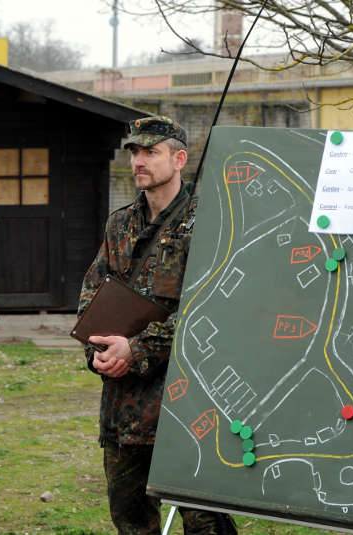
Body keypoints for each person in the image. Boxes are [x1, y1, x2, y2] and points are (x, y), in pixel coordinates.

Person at [78, 116, 237, 535]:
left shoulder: (211, 223)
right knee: (131, 521)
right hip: (124, 409)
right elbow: (91, 296)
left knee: (205, 522)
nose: (138, 161)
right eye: (133, 152)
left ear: (179, 158)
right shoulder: (120, 224)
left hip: (187, 405)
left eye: (150, 151)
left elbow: (212, 310)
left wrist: (138, 348)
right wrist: (99, 351)